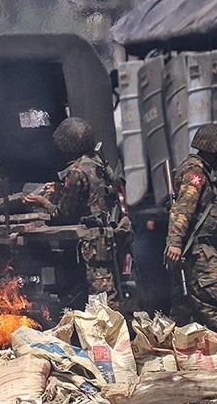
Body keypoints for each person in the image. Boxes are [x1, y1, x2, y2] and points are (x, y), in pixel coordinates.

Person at [24, 117, 132, 310]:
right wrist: (60, 189)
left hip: (94, 240)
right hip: (107, 233)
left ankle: (108, 326)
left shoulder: (75, 172)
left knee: (102, 295)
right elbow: (92, 191)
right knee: (108, 288)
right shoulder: (96, 162)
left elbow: (62, 213)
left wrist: (43, 202)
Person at [164, 124, 217, 334]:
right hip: (197, 252)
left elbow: (203, 213)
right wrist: (175, 243)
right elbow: (183, 209)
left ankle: (176, 345)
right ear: (214, 151)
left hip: (193, 249)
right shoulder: (196, 173)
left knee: (184, 308)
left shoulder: (201, 171)